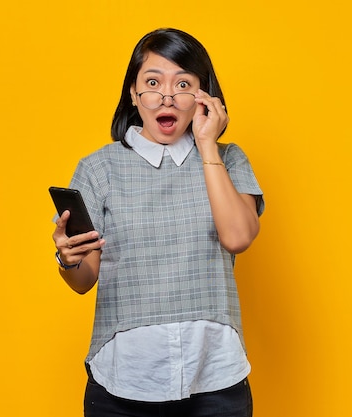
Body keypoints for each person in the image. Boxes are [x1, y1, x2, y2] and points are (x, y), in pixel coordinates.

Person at [52, 28, 264, 417]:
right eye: (152, 82)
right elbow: (84, 281)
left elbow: (237, 237)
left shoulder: (229, 159)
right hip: (124, 380)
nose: (167, 96)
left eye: (183, 83)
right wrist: (68, 259)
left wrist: (206, 146)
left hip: (215, 377)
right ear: (134, 94)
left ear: (204, 96)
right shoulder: (98, 169)